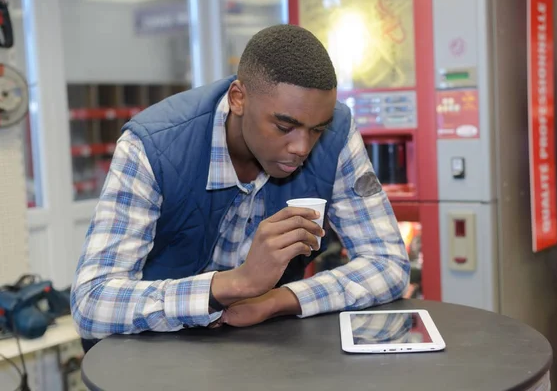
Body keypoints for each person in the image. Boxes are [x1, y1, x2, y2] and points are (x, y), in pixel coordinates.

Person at [70, 24, 410, 351]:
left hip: (258, 348)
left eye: (316, 130)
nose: (302, 147)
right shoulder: (153, 148)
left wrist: (277, 300)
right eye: (284, 126)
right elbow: (91, 302)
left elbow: (389, 263)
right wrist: (236, 284)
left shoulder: (336, 133)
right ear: (238, 98)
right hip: (154, 356)